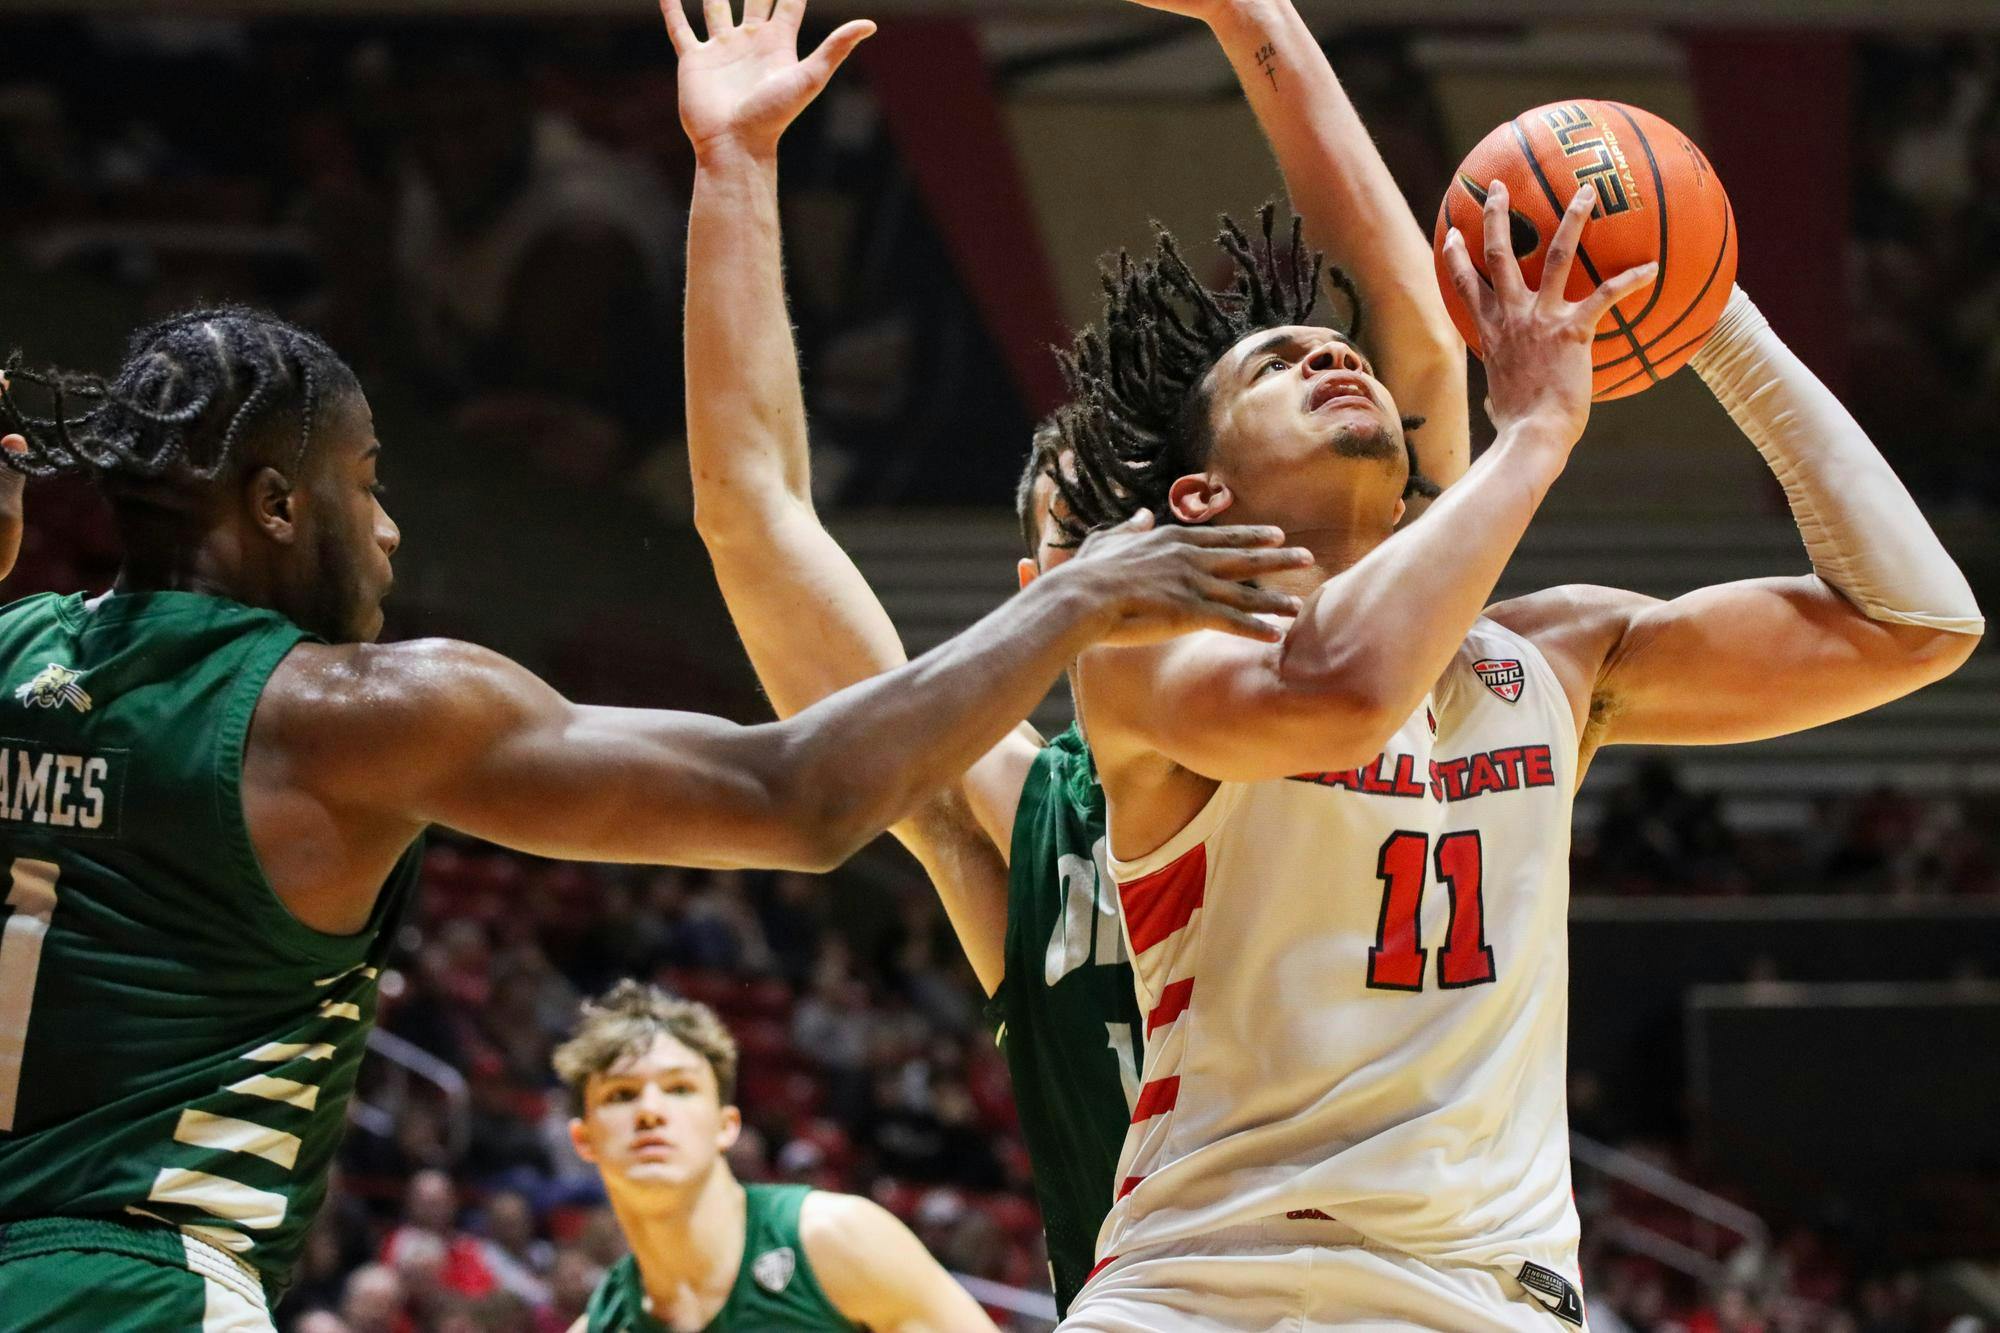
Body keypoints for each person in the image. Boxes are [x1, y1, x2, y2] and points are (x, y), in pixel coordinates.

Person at [0, 298, 1305, 1328]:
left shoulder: (15, 654)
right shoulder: (344, 711)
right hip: (142, 1284)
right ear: (281, 505)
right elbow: (796, 795)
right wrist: (1074, 599)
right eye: (367, 479)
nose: (389, 532)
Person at [1043, 182, 1981, 1328]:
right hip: (1201, 1281)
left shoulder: (1556, 654)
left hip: (1480, 1292)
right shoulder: (1147, 653)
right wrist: (1533, 432)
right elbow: (1341, 694)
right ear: (1201, 495)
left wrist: (1712, 315)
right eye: (1275, 366)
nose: (1331, 360)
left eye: (1346, 353)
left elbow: (1916, 625)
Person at [662, 0, 1469, 1312]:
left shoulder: (1359, 639)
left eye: (1132, 512)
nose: (1111, 554)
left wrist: (1254, 18)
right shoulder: (1028, 812)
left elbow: (1417, 338)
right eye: (1073, 534)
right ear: (1038, 584)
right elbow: (754, 518)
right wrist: (734, 173)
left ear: (1208, 506)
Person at [555, 981, 997, 1332]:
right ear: (583, 1138)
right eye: (622, 1094)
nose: (651, 1111)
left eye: (680, 1089)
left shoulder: (835, 1240)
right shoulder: (602, 1325)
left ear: (726, 1126)